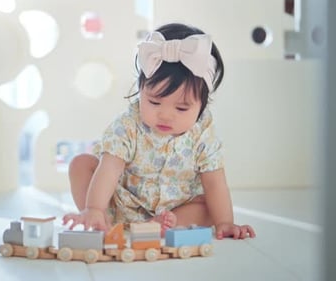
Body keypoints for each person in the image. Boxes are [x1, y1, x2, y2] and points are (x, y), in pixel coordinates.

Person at [63, 23, 256, 240]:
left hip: (174, 212)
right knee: (80, 164)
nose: (165, 115)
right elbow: (110, 167)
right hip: (121, 205)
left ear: (202, 104)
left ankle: (156, 226)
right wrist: (96, 207)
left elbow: (215, 182)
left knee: (210, 205)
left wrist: (225, 222)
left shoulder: (203, 134)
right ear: (141, 89)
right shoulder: (128, 125)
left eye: (181, 108)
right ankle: (98, 219)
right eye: (154, 102)